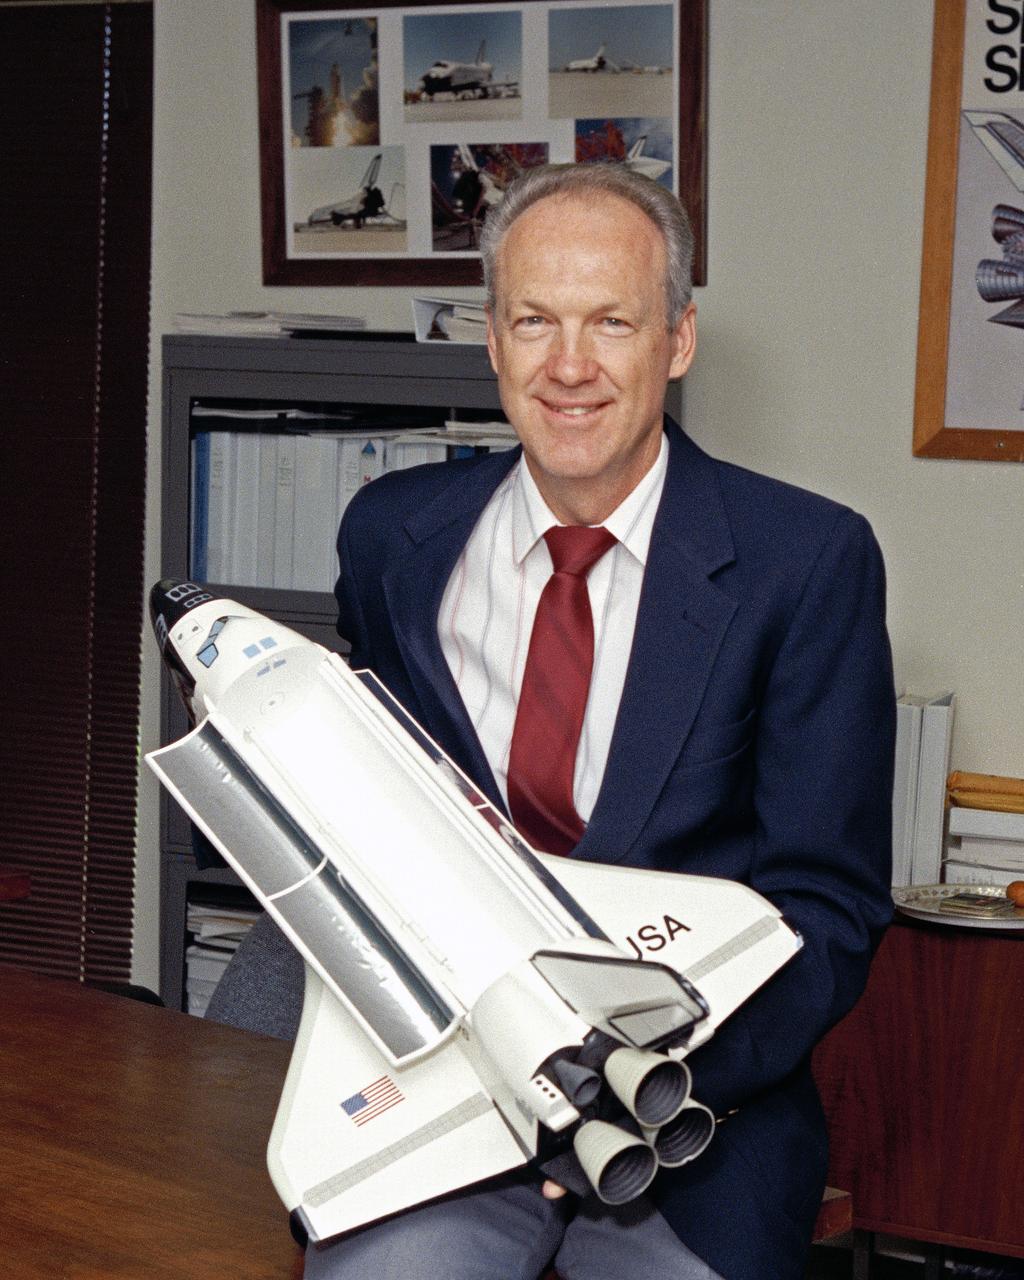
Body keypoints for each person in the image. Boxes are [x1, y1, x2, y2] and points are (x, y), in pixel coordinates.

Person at [211, 163, 895, 1280]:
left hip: (691, 1128)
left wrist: (639, 1090)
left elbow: (828, 905)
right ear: (491, 336)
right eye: (534, 320)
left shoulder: (804, 563)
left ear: (675, 339)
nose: (568, 366)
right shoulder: (395, 537)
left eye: (610, 322)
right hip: (442, 1106)